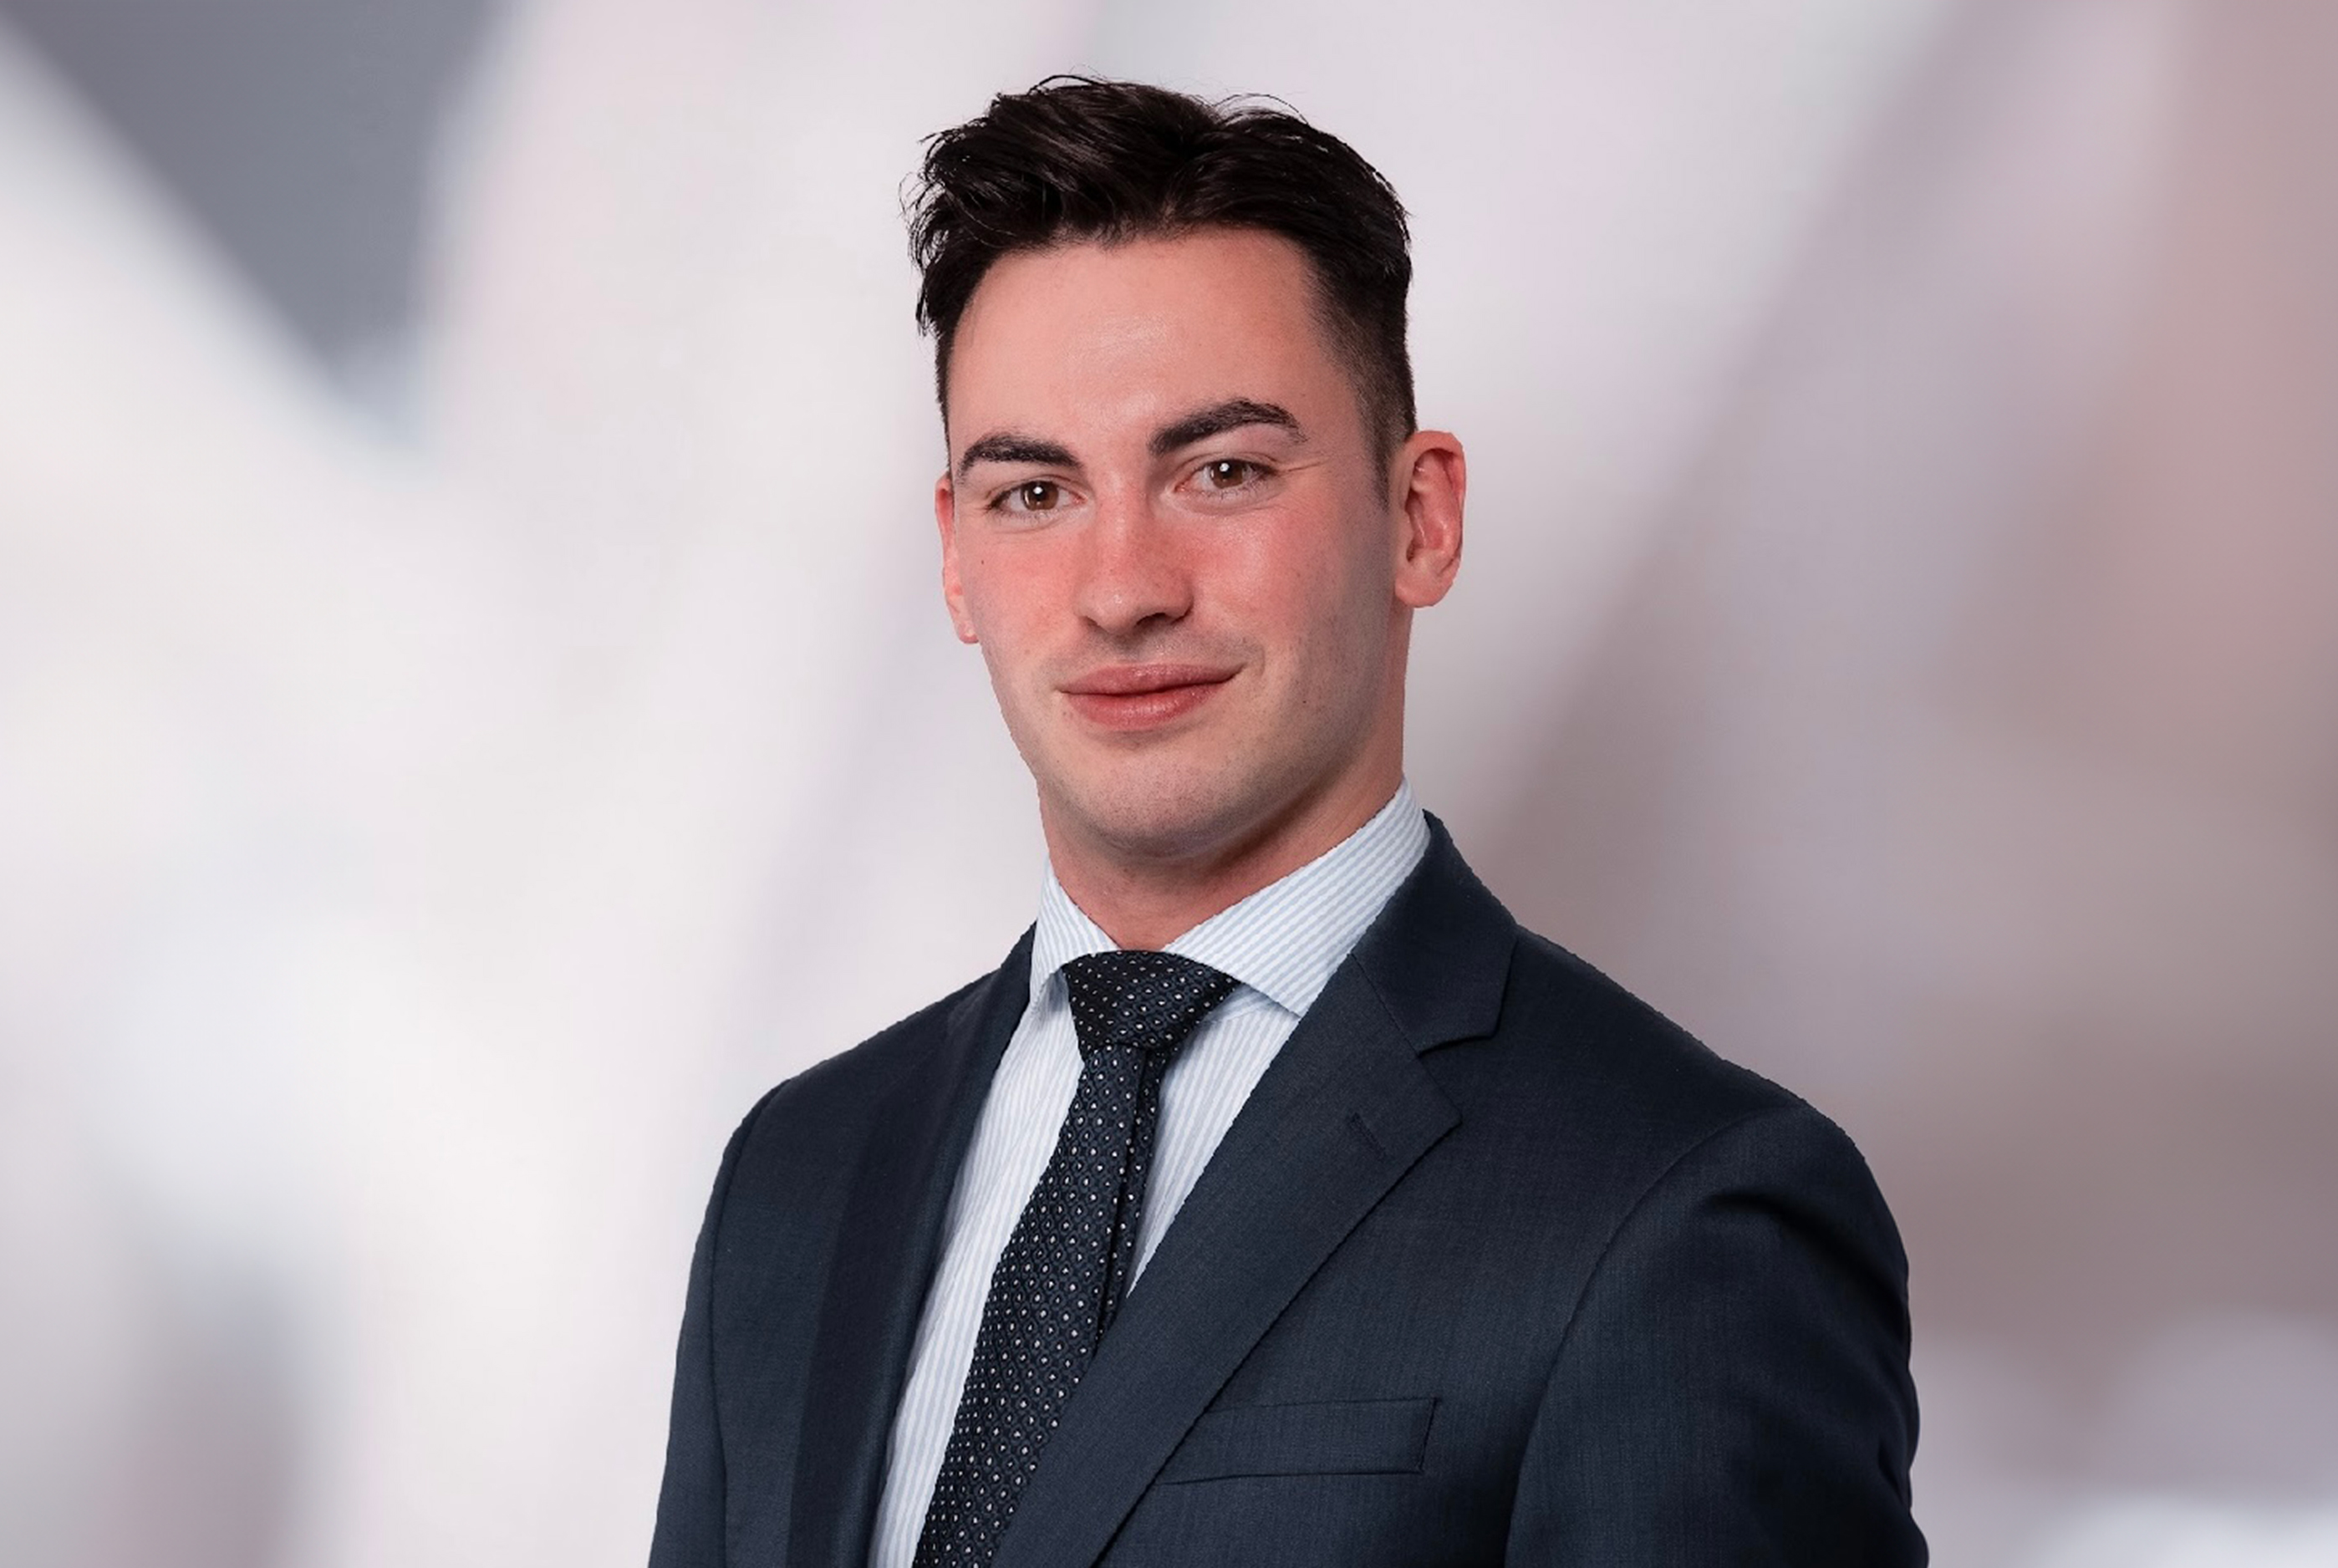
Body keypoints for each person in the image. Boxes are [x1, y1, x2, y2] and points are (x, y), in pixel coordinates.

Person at [649, 78, 1922, 1567]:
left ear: (1421, 518)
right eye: (1036, 492)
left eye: (1224, 472)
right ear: (954, 558)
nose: (1123, 589)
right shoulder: (797, 1174)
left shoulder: (1683, 1210)